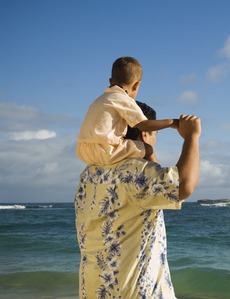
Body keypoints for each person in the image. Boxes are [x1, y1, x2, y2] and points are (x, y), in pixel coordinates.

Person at [74, 100, 201, 298]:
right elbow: (182, 185)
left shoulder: (89, 174)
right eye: (155, 133)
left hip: (94, 289)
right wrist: (191, 138)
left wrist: (147, 152)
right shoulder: (134, 173)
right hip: (135, 291)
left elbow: (155, 190)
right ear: (145, 133)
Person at [77, 56, 179, 165]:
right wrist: (172, 123)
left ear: (110, 81)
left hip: (84, 151)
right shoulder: (124, 99)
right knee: (148, 149)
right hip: (106, 151)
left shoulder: (99, 100)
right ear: (136, 85)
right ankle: (157, 178)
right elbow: (143, 125)